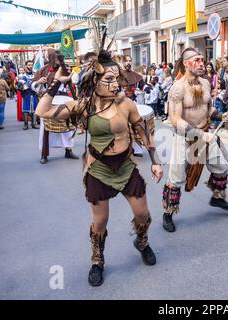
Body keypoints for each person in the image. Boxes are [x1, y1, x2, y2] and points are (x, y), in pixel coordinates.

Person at [35, 47, 164, 287]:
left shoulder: (126, 103)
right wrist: (56, 84)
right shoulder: (83, 106)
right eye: (109, 79)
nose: (116, 84)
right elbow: (41, 111)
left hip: (126, 166)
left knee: (142, 214)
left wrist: (155, 161)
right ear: (94, 80)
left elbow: (141, 130)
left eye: (117, 79)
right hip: (99, 169)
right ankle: (97, 259)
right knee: (100, 222)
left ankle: (142, 242)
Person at [161, 48, 228, 233]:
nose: (202, 63)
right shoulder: (177, 88)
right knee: (175, 179)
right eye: (197, 60)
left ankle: (217, 197)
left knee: (221, 168)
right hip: (184, 138)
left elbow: (207, 108)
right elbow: (175, 120)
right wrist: (201, 135)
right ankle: (168, 213)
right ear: (186, 63)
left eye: (202, 59)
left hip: (205, 134)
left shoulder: (205, 83)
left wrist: (220, 115)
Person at [33, 49, 79, 164]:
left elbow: (75, 83)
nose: (60, 60)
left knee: (68, 127)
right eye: (57, 57)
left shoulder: (66, 69)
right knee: (46, 129)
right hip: (50, 103)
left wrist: (72, 75)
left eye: (60, 58)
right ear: (51, 57)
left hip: (66, 101)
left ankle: (68, 150)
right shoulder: (43, 70)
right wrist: (39, 82)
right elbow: (34, 86)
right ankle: (44, 154)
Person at [19, 60, 39, 130]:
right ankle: (26, 124)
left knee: (35, 109)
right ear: (26, 66)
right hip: (26, 94)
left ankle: (34, 123)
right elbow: (20, 86)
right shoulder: (23, 76)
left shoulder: (35, 74)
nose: (30, 66)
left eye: (31, 65)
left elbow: (37, 84)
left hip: (34, 93)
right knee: (25, 109)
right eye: (29, 65)